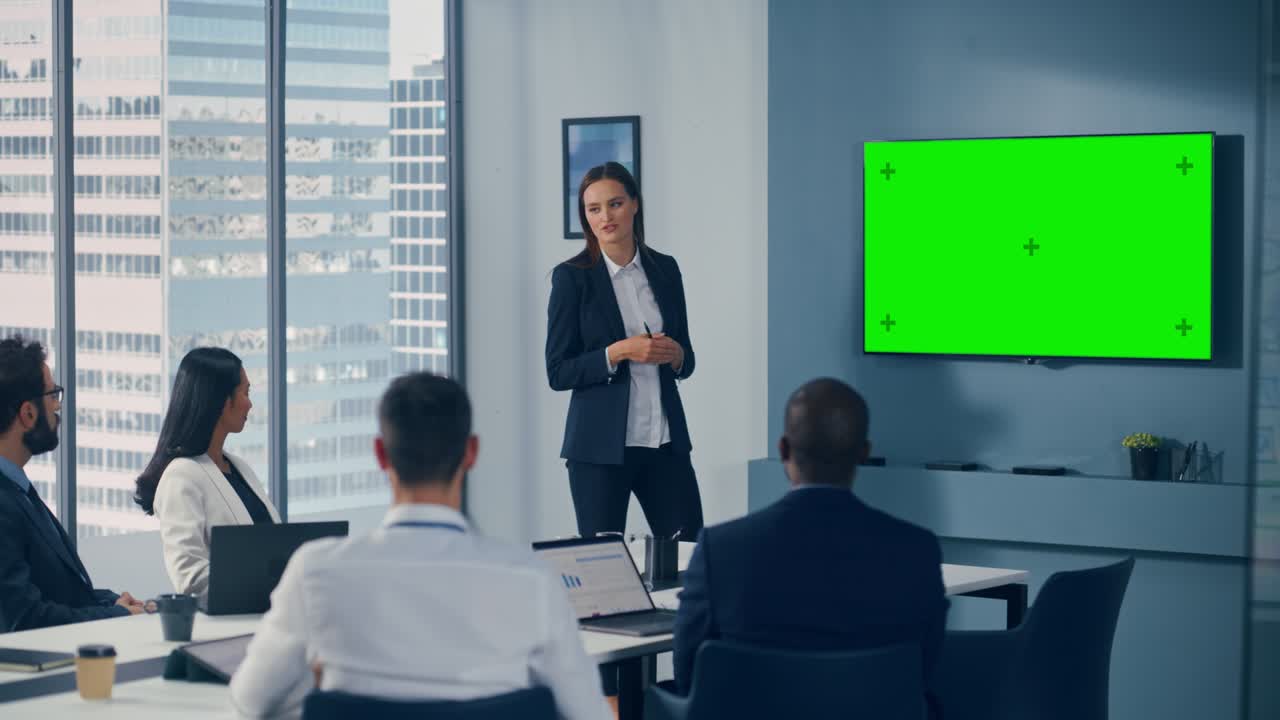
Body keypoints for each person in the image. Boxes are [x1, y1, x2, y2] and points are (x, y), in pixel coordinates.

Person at [229, 372, 610, 720]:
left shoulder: (316, 571)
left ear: (380, 454)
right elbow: (588, 715)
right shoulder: (531, 579)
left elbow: (249, 703)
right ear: (471, 453)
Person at [672, 378, 949, 718]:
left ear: (783, 449)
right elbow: (926, 671)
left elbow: (687, 676)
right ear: (864, 452)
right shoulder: (915, 551)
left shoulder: (721, 550)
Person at [545, 160, 703, 544]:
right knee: (604, 570)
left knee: (692, 557)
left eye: (614, 204)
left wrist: (675, 354)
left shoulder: (665, 269)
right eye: (593, 209)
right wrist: (616, 352)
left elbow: (687, 359)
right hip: (599, 451)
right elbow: (558, 371)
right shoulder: (572, 277)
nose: (605, 217)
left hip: (664, 443)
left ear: (635, 204)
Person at [0, 336, 144, 631]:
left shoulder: (17, 488)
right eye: (52, 395)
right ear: (28, 413)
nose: (57, 407)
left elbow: (61, 592)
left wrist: (112, 604)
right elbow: (23, 618)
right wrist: (115, 617)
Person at [134, 347, 279, 601]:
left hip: (265, 616)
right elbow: (189, 576)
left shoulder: (239, 467)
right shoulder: (181, 476)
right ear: (224, 401)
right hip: (227, 626)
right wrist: (264, 588)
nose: (250, 403)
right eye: (245, 392)